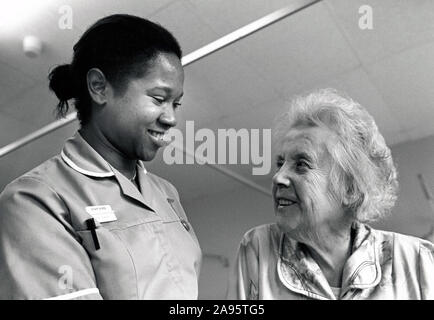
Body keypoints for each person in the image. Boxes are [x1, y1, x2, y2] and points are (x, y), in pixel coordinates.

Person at [0, 14, 201, 300]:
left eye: (176, 103)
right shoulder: (35, 199)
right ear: (99, 86)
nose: (171, 118)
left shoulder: (167, 194)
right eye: (158, 98)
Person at [227, 89, 434, 300]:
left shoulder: (418, 262)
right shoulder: (258, 248)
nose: (278, 177)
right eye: (280, 164)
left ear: (350, 189)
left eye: (301, 164)